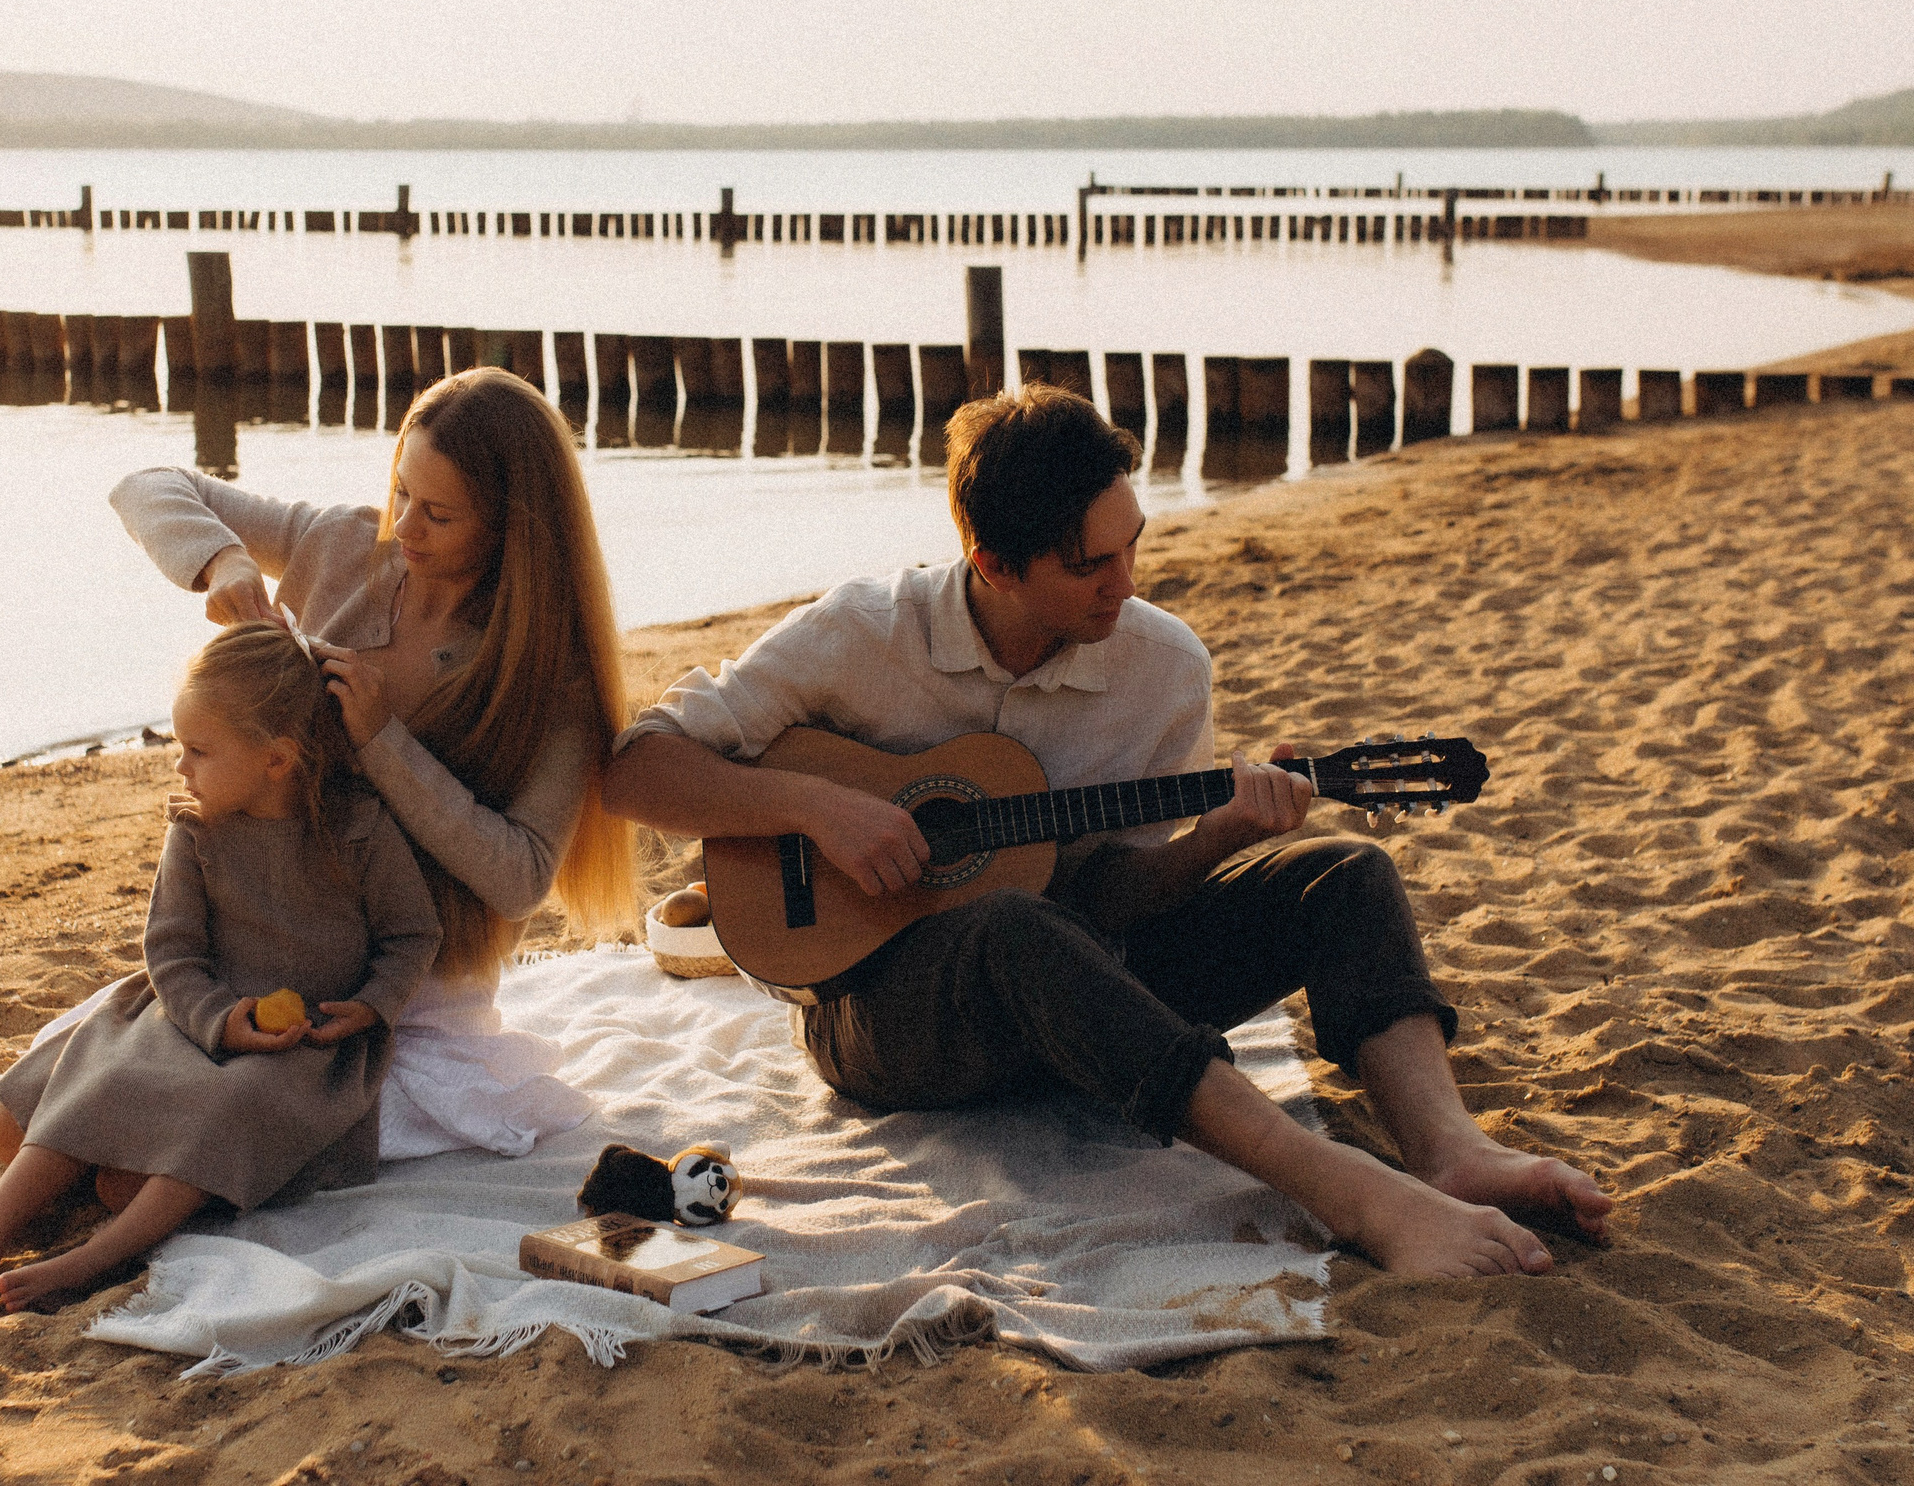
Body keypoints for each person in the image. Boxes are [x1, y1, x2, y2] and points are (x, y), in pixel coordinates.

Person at [601, 386, 1613, 1279]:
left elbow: (1118, 899)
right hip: (884, 1013)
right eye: (1090, 565)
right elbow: (636, 765)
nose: (1124, 584)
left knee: (1342, 872)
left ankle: (1447, 1151)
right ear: (992, 561)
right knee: (1008, 924)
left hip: (1090, 989)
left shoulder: (1161, 667)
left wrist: (1211, 839)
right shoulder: (861, 635)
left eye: (1134, 543)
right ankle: (1346, 1191)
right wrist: (815, 805)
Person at [0, 367, 635, 1160]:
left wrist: (383, 740)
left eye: (440, 513)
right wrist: (223, 563)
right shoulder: (348, 546)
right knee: (41, 1119)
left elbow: (522, 876)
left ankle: (78, 1093)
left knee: (172, 1137)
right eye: (400, 492)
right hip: (266, 938)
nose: (406, 527)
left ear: (510, 525)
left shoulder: (548, 673)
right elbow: (146, 485)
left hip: (404, 982)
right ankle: (61, 1086)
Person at [0, 623, 439, 1324]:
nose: (180, 767)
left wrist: (373, 1005)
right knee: (33, 1115)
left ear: (277, 759)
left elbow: (413, 934)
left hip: (307, 1051)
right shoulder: (196, 829)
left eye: (197, 750)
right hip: (191, 1017)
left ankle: (88, 1261)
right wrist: (220, 1019)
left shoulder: (359, 830)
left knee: (223, 1118)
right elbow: (170, 952)